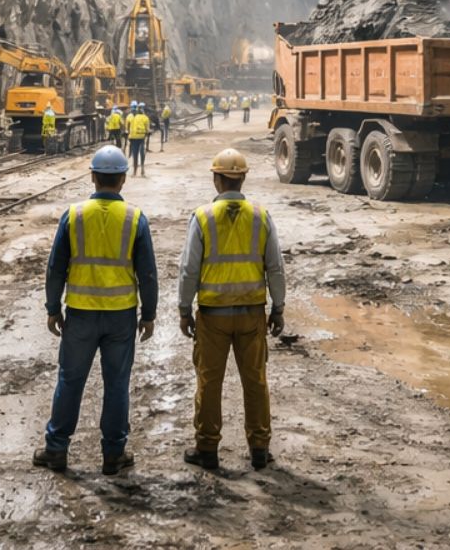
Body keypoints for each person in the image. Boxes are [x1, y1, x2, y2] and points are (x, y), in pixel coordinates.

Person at [36, 146, 159, 476]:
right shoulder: (135, 218)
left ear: (93, 177)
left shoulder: (73, 215)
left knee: (70, 380)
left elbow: (55, 268)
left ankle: (57, 449)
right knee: (116, 384)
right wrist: (148, 314)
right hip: (121, 316)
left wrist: (52, 308)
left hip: (80, 314)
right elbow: (147, 273)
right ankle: (113, 454)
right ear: (122, 179)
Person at [179, 148, 285, 473]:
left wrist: (184, 309)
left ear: (216, 179)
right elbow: (275, 268)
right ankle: (259, 450)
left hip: (212, 317)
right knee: (255, 382)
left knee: (209, 383)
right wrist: (278, 308)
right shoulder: (261, 216)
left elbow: (188, 270)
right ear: (243, 178)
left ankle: (207, 449)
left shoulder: (202, 217)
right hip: (252, 314)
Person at [127, 104, 151, 175]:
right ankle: (142, 168)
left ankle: (134, 171)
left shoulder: (132, 117)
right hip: (141, 138)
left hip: (133, 138)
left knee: (135, 153)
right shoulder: (145, 118)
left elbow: (128, 127)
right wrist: (148, 132)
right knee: (142, 152)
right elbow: (147, 129)